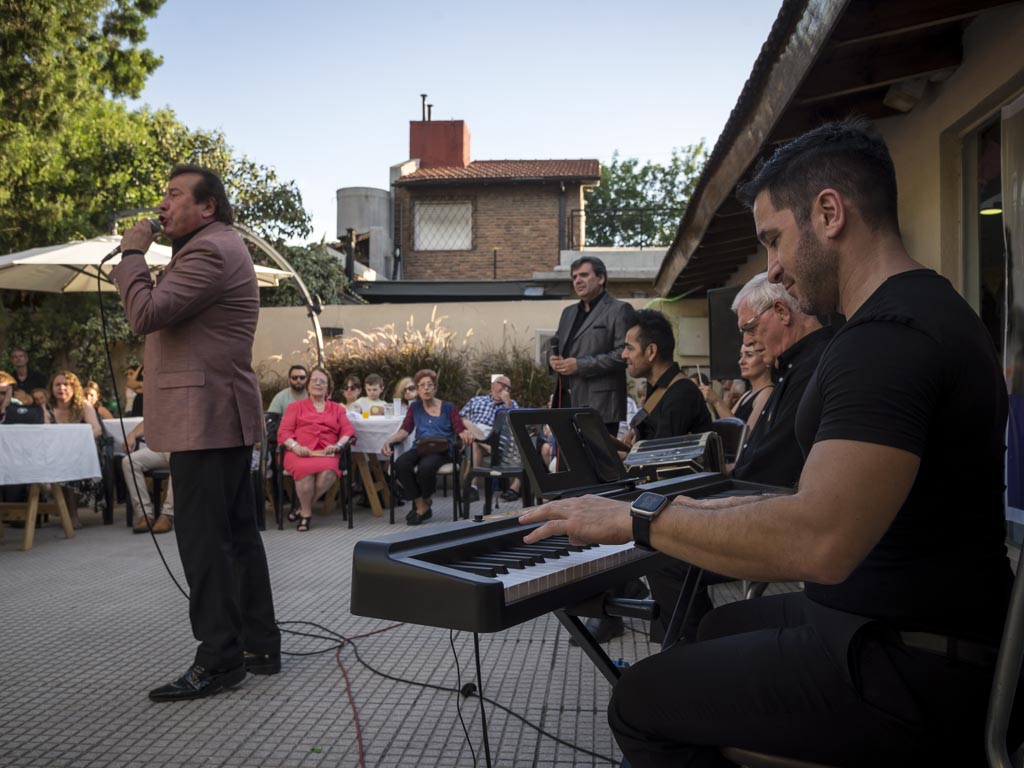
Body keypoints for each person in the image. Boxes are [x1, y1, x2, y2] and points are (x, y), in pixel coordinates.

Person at [520, 119, 1019, 766]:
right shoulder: (924, 311)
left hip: (910, 667)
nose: (773, 268)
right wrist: (661, 515)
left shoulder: (888, 339)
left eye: (773, 240)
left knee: (640, 701)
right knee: (716, 625)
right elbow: (794, 499)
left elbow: (818, 540)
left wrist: (637, 519)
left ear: (830, 213)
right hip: (899, 626)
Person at [112, 164, 280, 701]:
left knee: (205, 540)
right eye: (163, 194)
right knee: (235, 534)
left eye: (174, 195)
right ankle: (258, 646)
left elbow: (144, 314)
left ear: (207, 207)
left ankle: (219, 660)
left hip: (206, 416)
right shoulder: (212, 247)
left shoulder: (209, 250)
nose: (161, 205)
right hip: (216, 413)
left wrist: (132, 254)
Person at [731, 273, 831, 488]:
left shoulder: (813, 366)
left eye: (749, 327)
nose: (747, 341)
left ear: (782, 312)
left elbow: (777, 465)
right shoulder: (792, 367)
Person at [549, 256, 634, 434]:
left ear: (601, 278)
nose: (578, 281)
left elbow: (624, 354)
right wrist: (552, 358)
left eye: (584, 275)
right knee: (567, 462)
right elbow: (554, 342)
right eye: (574, 277)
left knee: (596, 461)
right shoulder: (568, 312)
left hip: (600, 406)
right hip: (565, 401)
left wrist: (580, 365)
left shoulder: (619, 309)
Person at [381, 369, 473, 525]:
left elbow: (459, 428)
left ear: (435, 388)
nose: (426, 388)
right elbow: (405, 430)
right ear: (417, 389)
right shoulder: (415, 407)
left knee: (426, 466)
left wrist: (465, 434)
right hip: (421, 447)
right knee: (401, 463)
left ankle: (424, 502)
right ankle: (421, 503)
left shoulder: (448, 407)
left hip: (443, 449)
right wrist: (389, 440)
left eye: (430, 385)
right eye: (422, 385)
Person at [276, 367, 355, 531]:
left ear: (328, 387)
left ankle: (302, 508)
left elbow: (348, 431)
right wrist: (296, 447)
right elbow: (284, 432)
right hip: (299, 452)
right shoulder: (295, 407)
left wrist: (337, 446)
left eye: (322, 381)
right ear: (308, 385)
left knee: (329, 471)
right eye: (314, 380)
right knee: (304, 471)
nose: (318, 384)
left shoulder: (337, 409)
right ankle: (305, 513)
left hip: (327, 452)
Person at [621, 309, 711, 446]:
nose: (623, 355)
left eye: (630, 348)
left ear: (651, 351)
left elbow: (661, 457)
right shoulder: (658, 388)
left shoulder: (681, 393)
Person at [48, 371, 104, 528]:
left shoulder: (83, 406)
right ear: (51, 388)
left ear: (74, 387)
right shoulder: (47, 408)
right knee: (60, 461)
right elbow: (43, 431)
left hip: (82, 451)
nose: (62, 388)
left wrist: (77, 442)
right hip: (54, 452)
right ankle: (60, 506)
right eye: (57, 384)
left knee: (69, 463)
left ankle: (72, 515)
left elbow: (97, 430)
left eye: (66, 384)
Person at [459, 374, 519, 501]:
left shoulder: (511, 404)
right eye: (503, 386)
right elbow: (460, 419)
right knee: (471, 433)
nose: (506, 390)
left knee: (476, 442)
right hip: (476, 434)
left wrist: (507, 404)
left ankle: (474, 487)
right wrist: (467, 431)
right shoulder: (476, 400)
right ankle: (473, 488)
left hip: (499, 438)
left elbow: (514, 427)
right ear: (493, 385)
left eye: (509, 388)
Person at [700, 344, 775, 433]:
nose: (741, 361)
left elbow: (746, 436)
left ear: (767, 360)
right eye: (741, 356)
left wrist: (717, 401)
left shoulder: (767, 392)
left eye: (749, 355)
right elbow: (727, 423)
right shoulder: (747, 394)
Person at [121, 420, 174, 534]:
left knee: (179, 460)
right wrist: (133, 433)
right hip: (161, 447)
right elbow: (151, 419)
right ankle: (144, 514)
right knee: (129, 462)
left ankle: (168, 514)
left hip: (181, 447)